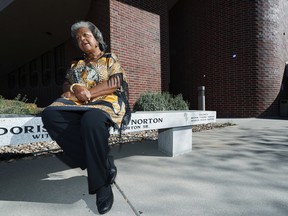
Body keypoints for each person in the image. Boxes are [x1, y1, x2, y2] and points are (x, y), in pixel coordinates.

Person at [41, 21, 130, 215]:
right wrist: (75, 88)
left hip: (106, 100)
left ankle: (101, 185)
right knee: (50, 114)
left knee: (91, 121)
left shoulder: (109, 58)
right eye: (78, 38)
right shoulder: (76, 63)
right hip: (79, 103)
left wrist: (88, 92)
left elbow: (115, 82)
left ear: (96, 38)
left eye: (85, 35)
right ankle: (102, 165)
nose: (82, 40)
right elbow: (66, 85)